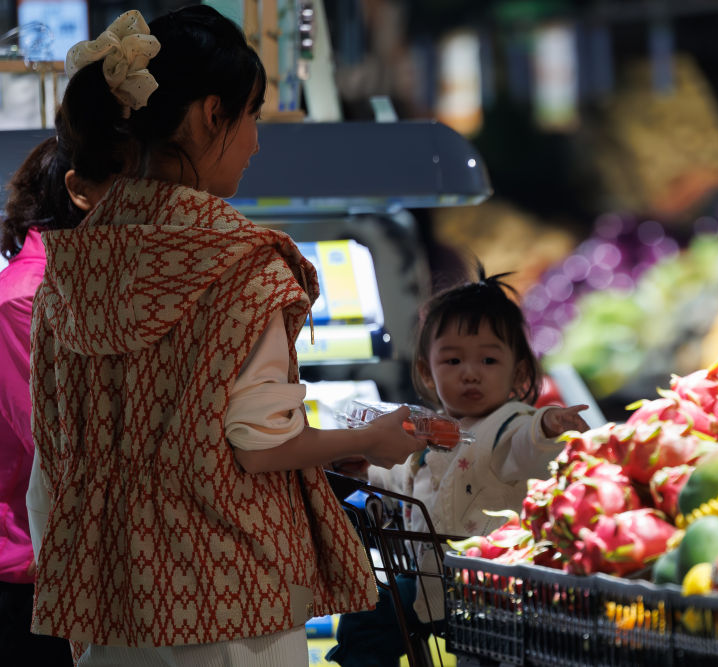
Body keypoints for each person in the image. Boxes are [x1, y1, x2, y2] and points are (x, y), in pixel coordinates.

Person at [26, 6, 424, 664]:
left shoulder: (68, 270)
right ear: (213, 114)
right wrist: (371, 439)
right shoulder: (243, 262)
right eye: (254, 115)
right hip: (232, 603)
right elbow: (260, 442)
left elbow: (53, 466)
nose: (257, 141)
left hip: (111, 607)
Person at [331, 264, 589, 667]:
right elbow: (400, 476)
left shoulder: (510, 424)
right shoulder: (427, 430)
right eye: (452, 361)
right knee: (368, 613)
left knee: (483, 655)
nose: (470, 373)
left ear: (518, 372)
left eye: (488, 360)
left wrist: (549, 424)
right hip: (431, 581)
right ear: (426, 372)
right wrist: (364, 468)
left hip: (498, 591)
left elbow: (530, 447)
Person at [0, 123, 105, 666]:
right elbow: (55, 438)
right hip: (32, 575)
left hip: (60, 565)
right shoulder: (29, 295)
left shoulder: (63, 285)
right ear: (80, 193)